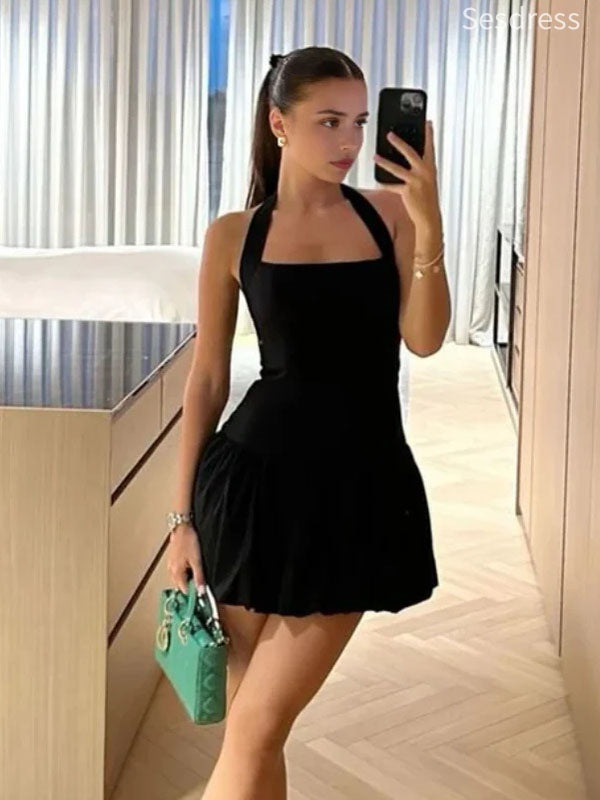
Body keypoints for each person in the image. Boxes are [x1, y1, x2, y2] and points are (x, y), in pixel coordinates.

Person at [166, 45, 450, 800]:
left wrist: (429, 227)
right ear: (279, 124)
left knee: (257, 725)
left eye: (358, 121)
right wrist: (181, 520)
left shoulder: (391, 216)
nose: (350, 140)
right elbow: (208, 380)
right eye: (329, 121)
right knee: (255, 729)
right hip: (249, 494)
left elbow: (424, 339)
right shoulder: (234, 235)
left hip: (358, 493)